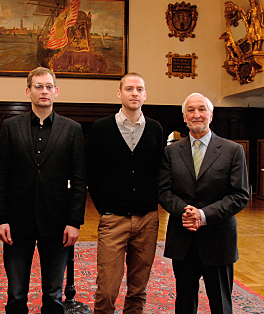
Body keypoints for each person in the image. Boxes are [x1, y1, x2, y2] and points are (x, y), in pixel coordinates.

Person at [0, 67, 86, 314]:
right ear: (28, 91)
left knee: (53, 296)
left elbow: (79, 180)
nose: (44, 91)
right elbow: (0, 176)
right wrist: (1, 219)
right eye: (38, 86)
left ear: (56, 91)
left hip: (57, 224)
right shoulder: (11, 127)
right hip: (16, 222)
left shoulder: (72, 129)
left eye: (48, 86)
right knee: (15, 295)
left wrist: (74, 221)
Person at [158, 93, 250, 314]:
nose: (196, 114)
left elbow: (240, 195)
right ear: (184, 117)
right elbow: (163, 191)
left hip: (218, 240)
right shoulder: (171, 152)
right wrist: (187, 213)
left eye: (201, 109)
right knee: (184, 303)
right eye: (191, 110)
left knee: (221, 304)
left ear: (211, 114)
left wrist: (203, 214)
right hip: (183, 240)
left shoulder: (232, 150)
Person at [87, 72, 163, 313]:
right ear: (119, 93)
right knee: (107, 289)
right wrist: (105, 207)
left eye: (139, 89)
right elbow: (92, 173)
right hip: (113, 219)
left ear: (145, 95)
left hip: (147, 220)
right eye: (129, 89)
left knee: (138, 288)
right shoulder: (101, 128)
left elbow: (159, 170)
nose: (134, 93)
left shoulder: (155, 129)